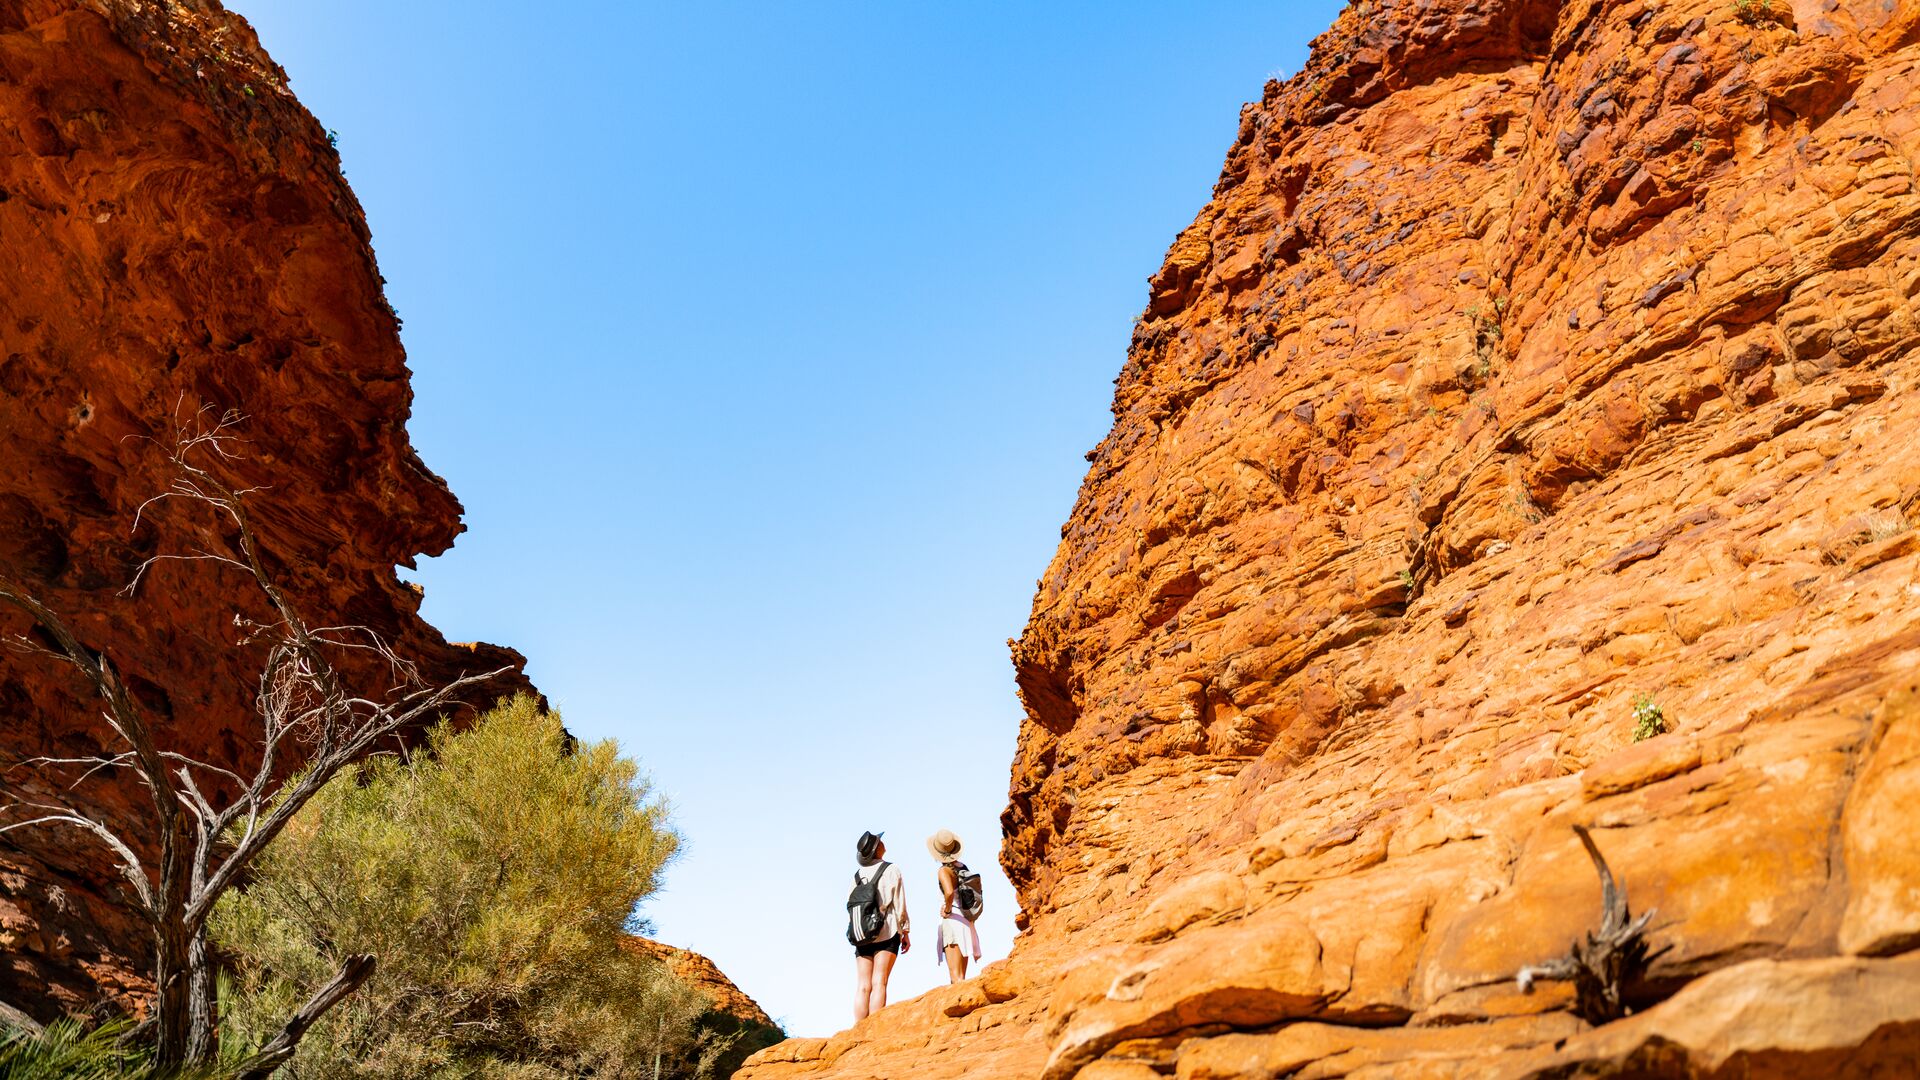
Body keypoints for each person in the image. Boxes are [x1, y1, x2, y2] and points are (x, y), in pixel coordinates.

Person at [850, 830, 908, 1021]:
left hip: (862, 933)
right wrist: (905, 930)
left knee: (863, 985)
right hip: (887, 930)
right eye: (879, 841)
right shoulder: (891, 870)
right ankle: (872, 1030)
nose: (883, 842)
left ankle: (857, 1028)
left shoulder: (857, 875)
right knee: (879, 982)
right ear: (877, 849)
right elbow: (899, 904)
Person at [927, 828, 982, 984]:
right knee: (962, 977)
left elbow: (949, 892)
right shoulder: (963, 867)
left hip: (953, 922)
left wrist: (947, 909)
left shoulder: (944, 870)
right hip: (966, 922)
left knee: (955, 977)